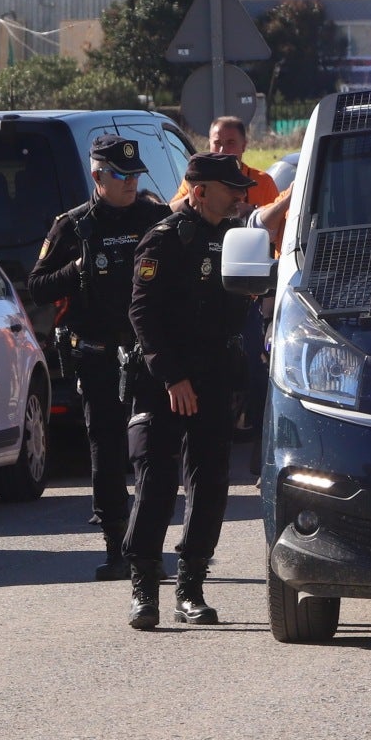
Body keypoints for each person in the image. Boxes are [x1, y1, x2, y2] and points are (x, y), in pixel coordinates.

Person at [123, 152, 264, 630]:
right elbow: (142, 314)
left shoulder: (235, 236)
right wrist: (172, 376)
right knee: (158, 483)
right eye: (229, 188)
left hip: (216, 375)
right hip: (168, 381)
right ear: (199, 190)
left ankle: (191, 588)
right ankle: (145, 587)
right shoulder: (163, 240)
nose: (239, 196)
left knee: (209, 485)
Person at [26, 133, 171, 580]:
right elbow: (38, 285)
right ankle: (115, 545)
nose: (130, 183)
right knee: (106, 452)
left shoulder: (155, 217)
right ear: (97, 175)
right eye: (120, 175)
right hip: (98, 355)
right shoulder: (73, 226)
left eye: (134, 175)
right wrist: (76, 270)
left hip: (147, 356)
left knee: (152, 453)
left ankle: (147, 546)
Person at [173, 116, 280, 210]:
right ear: (209, 144)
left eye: (230, 143)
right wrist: (198, 195)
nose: (222, 151)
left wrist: (252, 211)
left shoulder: (263, 182)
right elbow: (170, 211)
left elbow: (279, 225)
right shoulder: (196, 179)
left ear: (243, 146)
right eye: (217, 143)